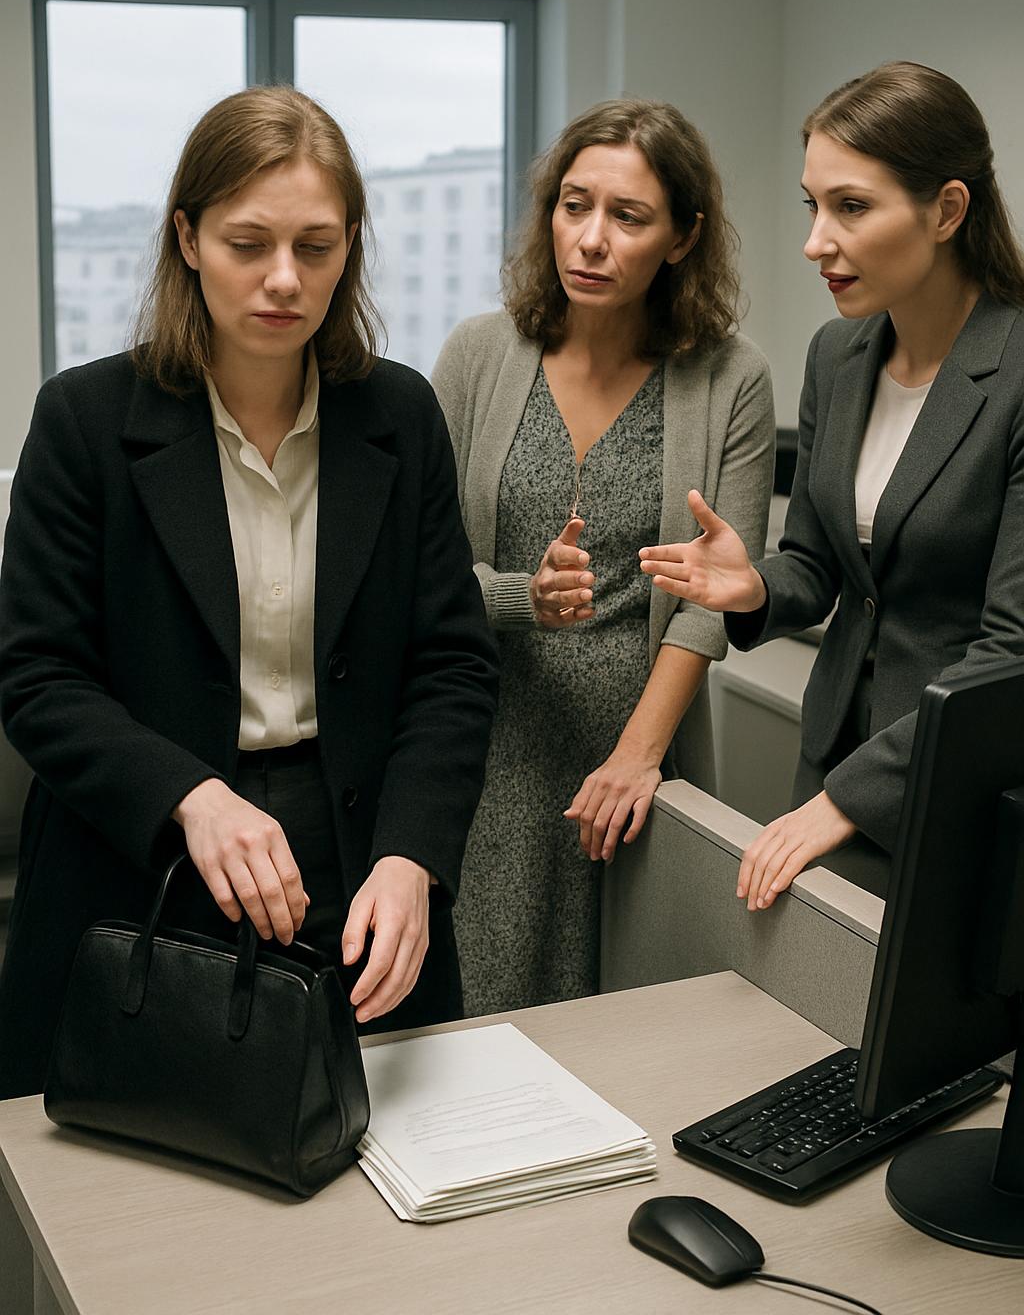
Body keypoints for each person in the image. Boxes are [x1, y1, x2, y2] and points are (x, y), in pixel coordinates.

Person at [0, 86, 498, 1100]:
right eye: (247, 243)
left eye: (316, 247)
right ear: (188, 239)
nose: (283, 279)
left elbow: (451, 664)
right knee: (140, 1165)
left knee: (373, 1138)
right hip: (143, 857)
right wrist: (192, 799)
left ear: (349, 248)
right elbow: (38, 677)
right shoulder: (85, 419)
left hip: (352, 851)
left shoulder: (400, 414)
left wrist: (412, 856)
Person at [640, 60, 1024, 912]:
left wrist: (845, 801)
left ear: (947, 210)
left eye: (851, 207)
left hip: (958, 781)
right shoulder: (838, 354)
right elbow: (818, 566)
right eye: (813, 206)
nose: (816, 242)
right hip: (832, 758)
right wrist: (753, 586)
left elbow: (1014, 650)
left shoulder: (1016, 373)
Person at [432, 98, 774, 1015]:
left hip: (640, 761)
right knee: (487, 1014)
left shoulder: (730, 377)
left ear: (682, 237)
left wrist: (636, 758)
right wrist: (520, 596)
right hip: (493, 748)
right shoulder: (476, 356)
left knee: (642, 1023)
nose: (590, 239)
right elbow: (421, 574)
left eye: (628, 217)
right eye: (574, 205)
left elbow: (711, 597)